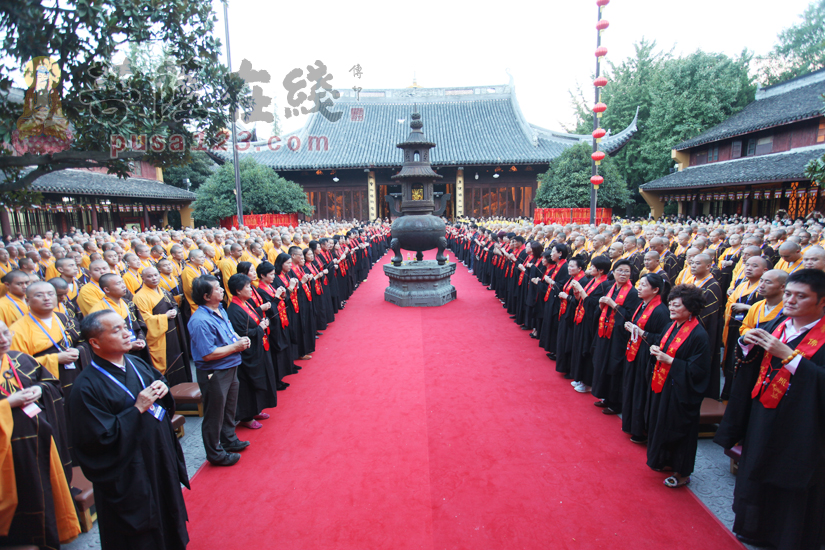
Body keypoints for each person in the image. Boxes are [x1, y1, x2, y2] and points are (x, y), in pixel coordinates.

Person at [715, 269, 825, 549]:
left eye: (801, 297)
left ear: (822, 302)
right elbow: (753, 365)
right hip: (763, 412)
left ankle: (787, 537)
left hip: (802, 423)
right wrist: (745, 345)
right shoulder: (779, 323)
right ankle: (752, 529)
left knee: (789, 479)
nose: (790, 301)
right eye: (788, 293)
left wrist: (789, 356)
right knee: (757, 468)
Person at [68, 310, 189, 550]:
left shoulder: (136, 363)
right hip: (129, 473)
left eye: (125, 327)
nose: (126, 333)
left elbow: (160, 387)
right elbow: (97, 441)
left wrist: (162, 389)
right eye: (116, 330)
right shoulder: (85, 388)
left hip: (158, 456)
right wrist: (136, 410)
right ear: (94, 342)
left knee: (168, 513)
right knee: (139, 535)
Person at [0, 319, 80, 549]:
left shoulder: (21, 359)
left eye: (6, 333)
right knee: (20, 496)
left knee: (43, 488)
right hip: (7, 451)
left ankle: (52, 535)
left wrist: (40, 389)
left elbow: (50, 383)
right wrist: (8, 404)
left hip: (38, 439)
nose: (4, 340)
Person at [646, 284, 711, 488]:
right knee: (662, 423)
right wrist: (657, 349)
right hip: (666, 384)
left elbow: (698, 371)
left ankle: (683, 473)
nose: (671, 309)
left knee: (680, 428)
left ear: (690, 309)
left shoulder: (699, 335)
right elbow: (666, 349)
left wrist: (671, 361)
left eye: (677, 306)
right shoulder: (672, 325)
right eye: (671, 304)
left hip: (682, 391)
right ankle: (664, 460)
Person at [187, 275, 250, 466]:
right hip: (215, 371)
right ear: (206, 296)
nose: (222, 290)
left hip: (230, 366)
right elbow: (208, 354)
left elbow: (228, 334)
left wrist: (239, 340)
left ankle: (229, 439)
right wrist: (235, 347)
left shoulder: (219, 309)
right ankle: (215, 453)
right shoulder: (199, 321)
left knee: (229, 407)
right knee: (215, 413)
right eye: (217, 288)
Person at [621, 273, 670, 443]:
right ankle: (630, 424)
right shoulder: (642, 305)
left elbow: (663, 339)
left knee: (641, 391)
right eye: (639, 284)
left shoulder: (661, 311)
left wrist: (641, 332)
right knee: (632, 388)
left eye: (643, 285)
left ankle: (640, 429)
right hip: (635, 351)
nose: (639, 288)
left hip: (645, 356)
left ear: (656, 290)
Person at [226, 273, 278, 429]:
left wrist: (261, 324)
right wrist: (260, 328)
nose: (250, 289)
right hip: (247, 355)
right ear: (238, 290)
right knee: (247, 385)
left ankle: (256, 409)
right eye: (247, 287)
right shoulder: (234, 310)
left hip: (258, 347)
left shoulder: (245, 303)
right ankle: (246, 417)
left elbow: (252, 322)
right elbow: (242, 334)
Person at [591, 259, 640, 414]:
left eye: (626, 271)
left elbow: (631, 316)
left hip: (619, 336)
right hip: (605, 332)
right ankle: (605, 396)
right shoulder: (610, 287)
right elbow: (601, 309)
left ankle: (615, 402)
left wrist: (614, 305)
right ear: (613, 272)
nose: (623, 274)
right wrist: (601, 306)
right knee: (602, 363)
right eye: (620, 270)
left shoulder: (633, 293)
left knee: (615, 366)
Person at [133, 267, 191, 387]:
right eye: (149, 276)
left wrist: (174, 310)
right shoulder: (140, 297)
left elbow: (173, 303)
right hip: (159, 337)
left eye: (155, 275)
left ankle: (183, 390)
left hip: (172, 332)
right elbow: (145, 320)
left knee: (177, 359)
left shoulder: (163, 291)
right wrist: (165, 316)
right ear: (142, 278)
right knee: (167, 363)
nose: (154, 278)